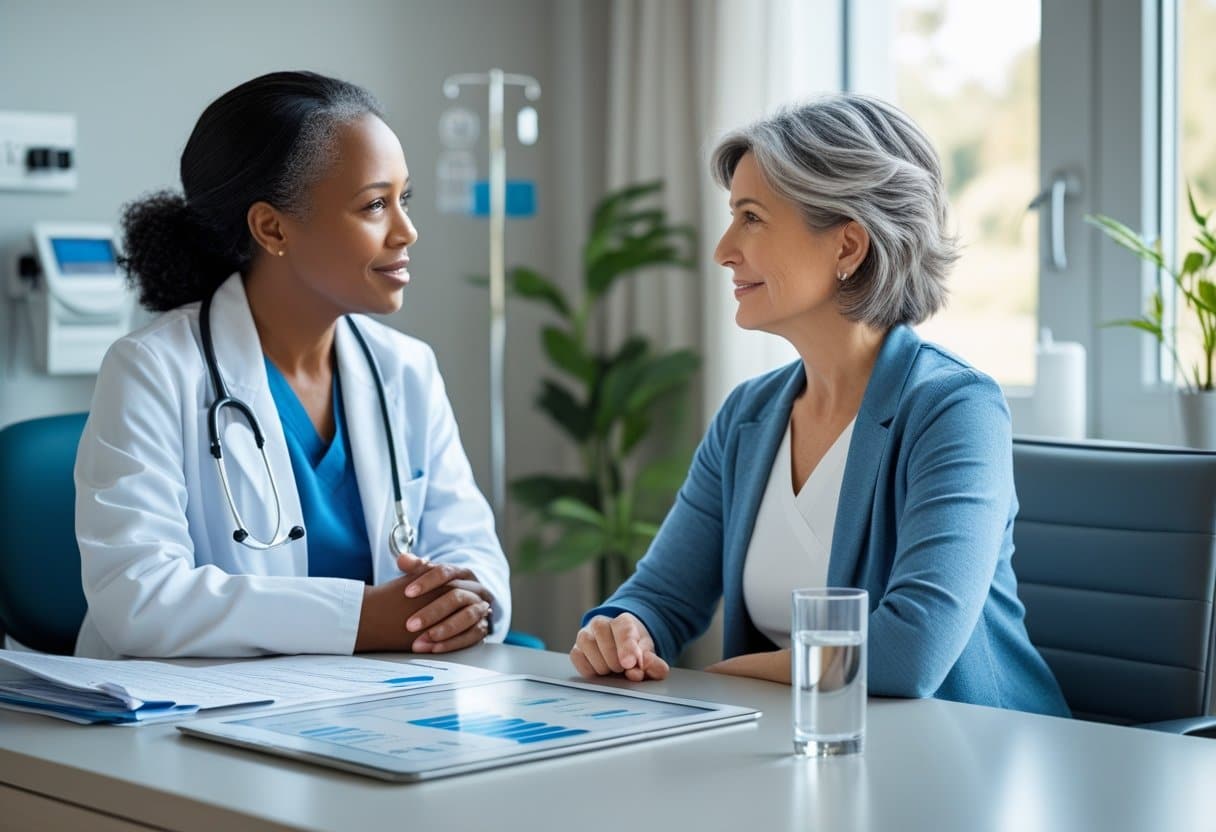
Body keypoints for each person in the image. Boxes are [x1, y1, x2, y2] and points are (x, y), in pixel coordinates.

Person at [570, 94, 1069, 717]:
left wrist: (721, 680)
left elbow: (908, 653)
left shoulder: (955, 409)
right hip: (808, 756)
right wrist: (623, 629)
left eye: (751, 218)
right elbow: (661, 597)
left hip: (972, 763)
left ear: (847, 247)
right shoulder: (747, 417)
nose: (724, 248)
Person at [74, 71, 510, 659]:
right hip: (188, 722)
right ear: (272, 227)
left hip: (389, 706)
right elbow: (138, 597)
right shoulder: (153, 369)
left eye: (403, 199)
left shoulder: (406, 370)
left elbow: (475, 558)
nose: (407, 231)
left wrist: (464, 606)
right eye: (375, 205)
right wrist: (361, 620)